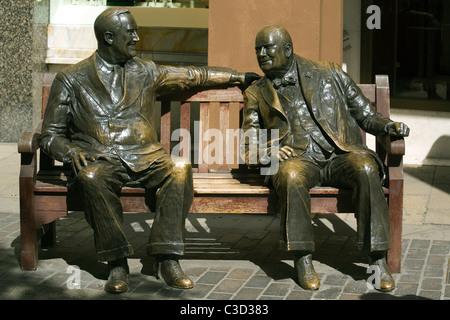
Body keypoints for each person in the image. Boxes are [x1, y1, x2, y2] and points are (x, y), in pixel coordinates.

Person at [39, 7, 258, 294]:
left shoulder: (146, 71)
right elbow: (49, 135)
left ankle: (166, 258)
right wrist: (68, 152)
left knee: (179, 170)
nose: (136, 37)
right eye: (130, 32)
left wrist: (237, 76)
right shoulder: (71, 78)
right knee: (91, 178)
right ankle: (117, 261)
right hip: (101, 158)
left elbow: (194, 75)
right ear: (108, 37)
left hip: (147, 157)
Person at [241, 25, 410, 292]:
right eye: (257, 49)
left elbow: (365, 113)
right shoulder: (255, 92)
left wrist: (388, 126)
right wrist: (267, 152)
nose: (261, 54)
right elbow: (248, 140)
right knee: (290, 175)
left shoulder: (329, 72)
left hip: (339, 155)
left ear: (287, 49)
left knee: (366, 168)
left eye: (267, 48)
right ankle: (303, 259)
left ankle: (377, 259)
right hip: (297, 159)